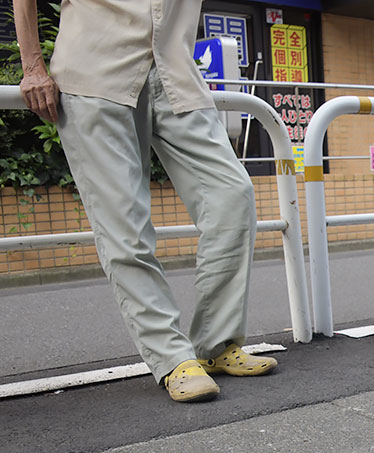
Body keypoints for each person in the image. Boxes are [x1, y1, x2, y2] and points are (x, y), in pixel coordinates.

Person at [13, 0, 277, 402]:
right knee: (124, 224)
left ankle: (215, 343)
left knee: (231, 195)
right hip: (94, 74)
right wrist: (32, 66)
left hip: (177, 73)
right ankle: (172, 358)